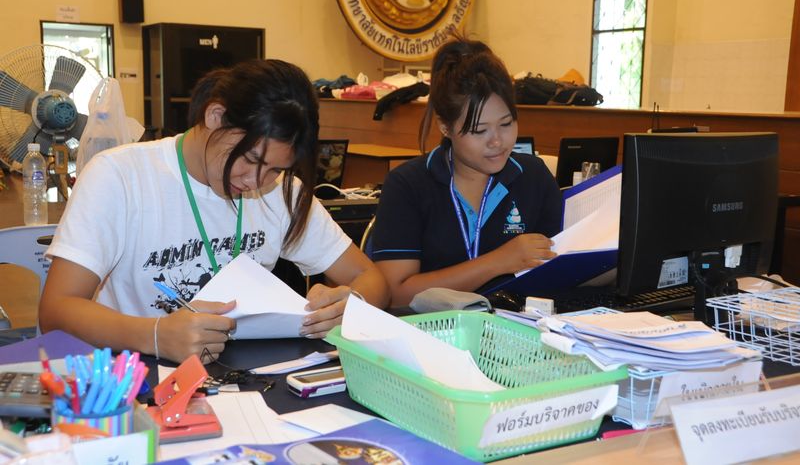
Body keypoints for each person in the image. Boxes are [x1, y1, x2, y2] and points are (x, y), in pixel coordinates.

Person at [40, 59, 390, 363]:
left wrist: (350, 304)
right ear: (215, 116)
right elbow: (56, 309)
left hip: (246, 379)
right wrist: (156, 335)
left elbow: (372, 279)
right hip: (138, 375)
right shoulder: (119, 176)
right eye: (250, 159)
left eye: (275, 169)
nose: (255, 181)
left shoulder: (282, 192)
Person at [370, 37, 562, 307]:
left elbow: (565, 261)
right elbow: (395, 294)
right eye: (479, 130)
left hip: (517, 326)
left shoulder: (532, 175)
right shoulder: (408, 185)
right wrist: (499, 261)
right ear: (445, 127)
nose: (497, 141)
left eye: (506, 124)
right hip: (431, 329)